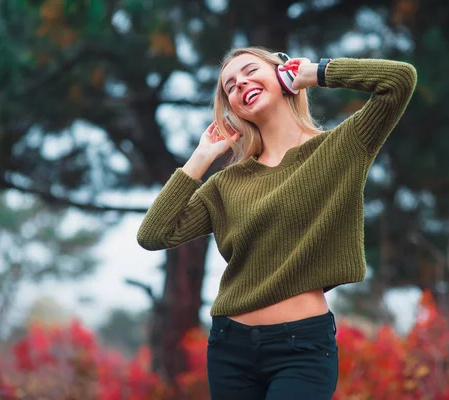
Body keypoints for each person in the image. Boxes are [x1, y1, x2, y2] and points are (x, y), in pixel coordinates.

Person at [137, 46, 417, 400]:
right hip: (230, 348)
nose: (241, 85)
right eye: (230, 87)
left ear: (282, 74)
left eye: (251, 71)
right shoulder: (228, 183)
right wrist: (201, 158)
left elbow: (400, 80)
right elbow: (154, 234)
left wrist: (315, 73)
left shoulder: (343, 147)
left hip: (301, 348)